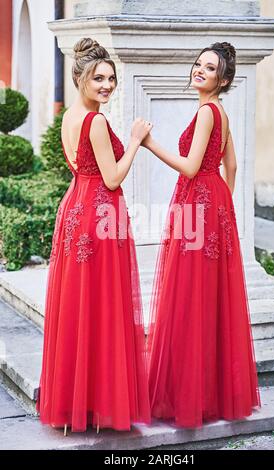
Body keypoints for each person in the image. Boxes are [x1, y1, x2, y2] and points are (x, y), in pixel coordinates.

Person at [36, 38, 152, 435]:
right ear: (80, 79)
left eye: (110, 78)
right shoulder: (96, 120)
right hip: (99, 215)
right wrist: (135, 141)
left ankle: (77, 404)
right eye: (98, 78)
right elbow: (113, 176)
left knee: (79, 307)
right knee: (100, 306)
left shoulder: (71, 116)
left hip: (76, 208)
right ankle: (98, 404)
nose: (106, 85)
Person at [144, 42, 261, 428]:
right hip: (210, 205)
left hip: (197, 203)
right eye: (198, 64)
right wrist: (221, 207)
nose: (199, 70)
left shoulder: (209, 111)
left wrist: (148, 143)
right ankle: (209, 393)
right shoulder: (218, 112)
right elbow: (232, 165)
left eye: (208, 68)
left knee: (189, 296)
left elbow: (191, 167)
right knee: (205, 297)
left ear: (222, 79)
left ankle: (190, 397)